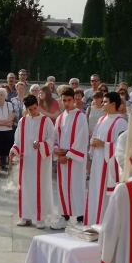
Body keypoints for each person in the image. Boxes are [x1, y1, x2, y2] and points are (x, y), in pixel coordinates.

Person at [10, 94, 57, 229]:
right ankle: (25, 216)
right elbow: (17, 140)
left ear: (38, 105)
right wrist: (14, 150)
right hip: (27, 162)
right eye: (30, 109)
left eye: (35, 108)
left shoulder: (46, 121)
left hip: (41, 162)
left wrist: (41, 145)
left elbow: (51, 139)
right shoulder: (22, 121)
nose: (33, 111)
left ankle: (40, 218)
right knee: (25, 188)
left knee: (40, 188)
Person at [84, 92, 127, 225]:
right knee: (95, 193)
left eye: (105, 102)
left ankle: (103, 224)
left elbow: (122, 147)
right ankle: (92, 222)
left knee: (104, 197)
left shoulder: (121, 123)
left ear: (114, 104)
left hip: (109, 169)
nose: (102, 104)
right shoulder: (102, 119)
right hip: (97, 163)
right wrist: (91, 152)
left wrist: (104, 145)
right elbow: (95, 137)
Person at [53, 86, 89, 228]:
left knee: (77, 186)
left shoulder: (80, 117)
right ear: (61, 101)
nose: (67, 103)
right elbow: (55, 136)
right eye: (64, 100)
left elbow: (81, 140)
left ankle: (80, 218)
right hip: (62, 158)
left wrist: (68, 156)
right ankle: (64, 216)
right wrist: (56, 149)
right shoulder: (60, 117)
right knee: (62, 187)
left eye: (69, 100)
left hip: (74, 160)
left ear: (74, 100)